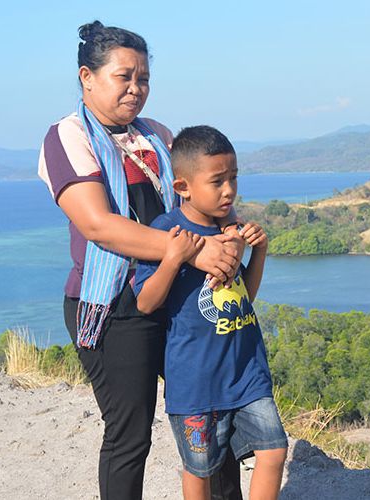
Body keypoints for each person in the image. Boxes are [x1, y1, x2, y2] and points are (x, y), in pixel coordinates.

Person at [37, 21, 246, 500]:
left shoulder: (157, 135)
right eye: (123, 77)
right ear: (87, 77)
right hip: (115, 307)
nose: (136, 89)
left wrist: (229, 231)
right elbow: (98, 225)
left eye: (144, 79)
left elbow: (196, 197)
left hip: (176, 296)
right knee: (131, 435)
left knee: (213, 410)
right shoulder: (67, 138)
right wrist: (196, 249)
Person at [132, 125, 288, 500]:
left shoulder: (230, 227)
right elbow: (145, 303)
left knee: (275, 450)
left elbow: (244, 295)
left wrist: (258, 252)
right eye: (217, 181)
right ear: (182, 187)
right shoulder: (167, 231)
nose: (229, 190)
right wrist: (173, 259)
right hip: (195, 381)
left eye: (233, 178)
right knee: (199, 469)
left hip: (246, 370)